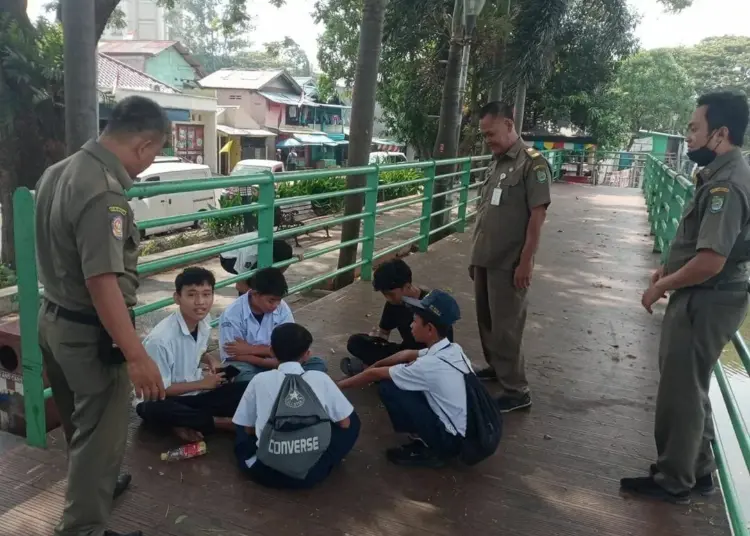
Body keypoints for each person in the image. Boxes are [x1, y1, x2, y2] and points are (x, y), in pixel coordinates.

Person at [35, 96, 169, 536]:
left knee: (80, 428)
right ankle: (83, 527)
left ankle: (98, 486)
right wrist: (136, 354)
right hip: (91, 336)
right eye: (155, 155)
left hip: (53, 320)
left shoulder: (59, 172)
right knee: (101, 435)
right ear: (145, 145)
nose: (148, 165)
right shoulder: (105, 191)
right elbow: (102, 281)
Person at [621, 91, 750, 504]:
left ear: (721, 134)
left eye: (695, 128)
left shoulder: (726, 185)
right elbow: (698, 245)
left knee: (680, 388)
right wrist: (670, 269)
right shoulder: (719, 173)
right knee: (691, 384)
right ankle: (699, 468)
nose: (688, 136)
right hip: (704, 293)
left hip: (707, 297)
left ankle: (674, 479)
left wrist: (662, 284)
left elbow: (711, 260)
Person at [469, 101, 552, 413]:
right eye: (484, 135)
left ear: (508, 124)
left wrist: (526, 260)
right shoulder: (497, 162)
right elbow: (485, 212)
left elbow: (537, 217)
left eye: (491, 133)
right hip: (486, 257)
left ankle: (517, 389)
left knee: (507, 326)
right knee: (487, 321)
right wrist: (474, 256)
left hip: (509, 261)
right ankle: (496, 367)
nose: (488, 139)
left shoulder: (533, 164)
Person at [338, 290, 470, 468]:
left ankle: (432, 449)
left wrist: (334, 386)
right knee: (394, 380)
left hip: (450, 439)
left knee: (389, 385)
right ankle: (426, 437)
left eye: (414, 321)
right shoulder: (452, 349)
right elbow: (406, 354)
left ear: (429, 328)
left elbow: (373, 375)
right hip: (460, 428)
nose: (410, 326)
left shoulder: (428, 365)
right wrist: (375, 364)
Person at [233, 323, 360, 489]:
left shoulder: (259, 380)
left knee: (243, 430)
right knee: (352, 420)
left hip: (266, 472)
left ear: (271, 351)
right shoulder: (320, 378)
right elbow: (344, 424)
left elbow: (248, 430)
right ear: (307, 354)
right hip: (310, 474)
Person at [134, 267, 249, 442]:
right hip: (165, 398)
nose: (200, 302)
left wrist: (211, 360)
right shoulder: (160, 340)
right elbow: (159, 391)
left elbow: (196, 349)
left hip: (195, 394)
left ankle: (186, 422)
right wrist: (203, 384)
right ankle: (220, 423)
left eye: (206, 294)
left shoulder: (204, 321)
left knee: (247, 387)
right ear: (177, 298)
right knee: (151, 409)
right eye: (191, 295)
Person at [340, 258, 454, 376]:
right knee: (355, 342)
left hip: (428, 358)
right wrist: (375, 340)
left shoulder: (433, 305)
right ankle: (381, 370)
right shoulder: (393, 303)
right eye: (384, 294)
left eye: (390, 294)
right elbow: (384, 333)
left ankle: (371, 369)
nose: (388, 299)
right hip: (402, 354)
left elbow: (445, 348)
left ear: (407, 286)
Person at [218, 267, 328, 382]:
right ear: (255, 294)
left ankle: (277, 384)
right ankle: (290, 383)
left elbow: (290, 345)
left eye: (279, 300)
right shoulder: (232, 314)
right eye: (271, 301)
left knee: (318, 364)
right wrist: (268, 361)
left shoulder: (282, 307)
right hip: (248, 363)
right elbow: (233, 355)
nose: (275, 305)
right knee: (242, 377)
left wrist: (249, 348)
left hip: (280, 360)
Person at [219, 233, 295, 295]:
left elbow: (284, 263)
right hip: (227, 257)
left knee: (267, 275)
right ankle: (245, 306)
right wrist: (258, 296)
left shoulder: (274, 245)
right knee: (252, 280)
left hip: (243, 247)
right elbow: (240, 285)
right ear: (272, 257)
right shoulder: (250, 255)